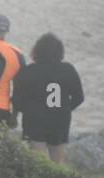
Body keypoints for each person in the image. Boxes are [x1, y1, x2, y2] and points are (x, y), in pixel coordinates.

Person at [12, 33, 84, 165]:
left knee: (38, 161)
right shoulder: (68, 70)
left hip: (35, 120)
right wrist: (65, 108)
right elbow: (79, 97)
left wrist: (28, 110)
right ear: (59, 52)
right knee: (58, 161)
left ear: (37, 50)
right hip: (60, 119)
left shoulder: (28, 71)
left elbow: (17, 100)